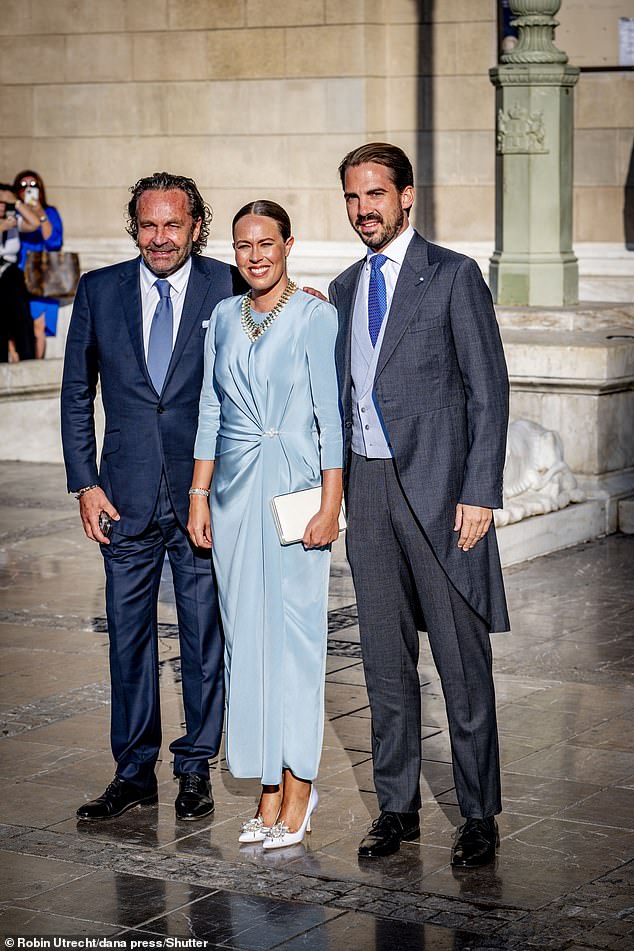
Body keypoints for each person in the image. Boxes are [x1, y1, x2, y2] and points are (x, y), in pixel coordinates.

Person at [330, 143, 510, 867]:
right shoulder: (343, 287)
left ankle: (477, 813)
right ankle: (396, 806)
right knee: (383, 658)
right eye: (352, 197)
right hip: (368, 491)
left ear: (407, 196)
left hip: (443, 493)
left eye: (375, 194)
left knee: (462, 663)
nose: (364, 209)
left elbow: (488, 391)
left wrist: (480, 489)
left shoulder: (454, 275)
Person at [61, 172, 245, 822]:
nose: (160, 237)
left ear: (197, 226)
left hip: (202, 499)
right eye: (148, 225)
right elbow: (77, 391)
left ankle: (194, 768)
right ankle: (133, 770)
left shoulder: (227, 285)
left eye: (173, 224)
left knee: (202, 638)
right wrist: (85, 480)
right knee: (129, 640)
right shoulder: (100, 291)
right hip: (125, 497)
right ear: (134, 227)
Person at [188, 200, 343, 849]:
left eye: (267, 243)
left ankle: (300, 785)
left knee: (298, 641)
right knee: (247, 642)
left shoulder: (315, 314)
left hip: (296, 490)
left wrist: (331, 506)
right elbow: (208, 409)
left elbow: (331, 418)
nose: (255, 255)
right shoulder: (222, 317)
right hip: (232, 496)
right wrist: (199, 495)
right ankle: (267, 786)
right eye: (243, 244)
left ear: (288, 245)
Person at [13, 170, 64, 358]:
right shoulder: (13, 213)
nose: (28, 189)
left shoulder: (50, 212)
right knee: (13, 324)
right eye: (23, 186)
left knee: (38, 325)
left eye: (33, 185)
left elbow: (54, 242)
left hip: (42, 274)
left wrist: (40, 214)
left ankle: (35, 364)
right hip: (16, 273)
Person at [0, 183, 41, 362]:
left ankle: (27, 356)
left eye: (4, 202)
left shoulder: (13, 219)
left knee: (20, 312)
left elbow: (34, 223)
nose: (2, 206)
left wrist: (16, 203)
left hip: (9, 270)